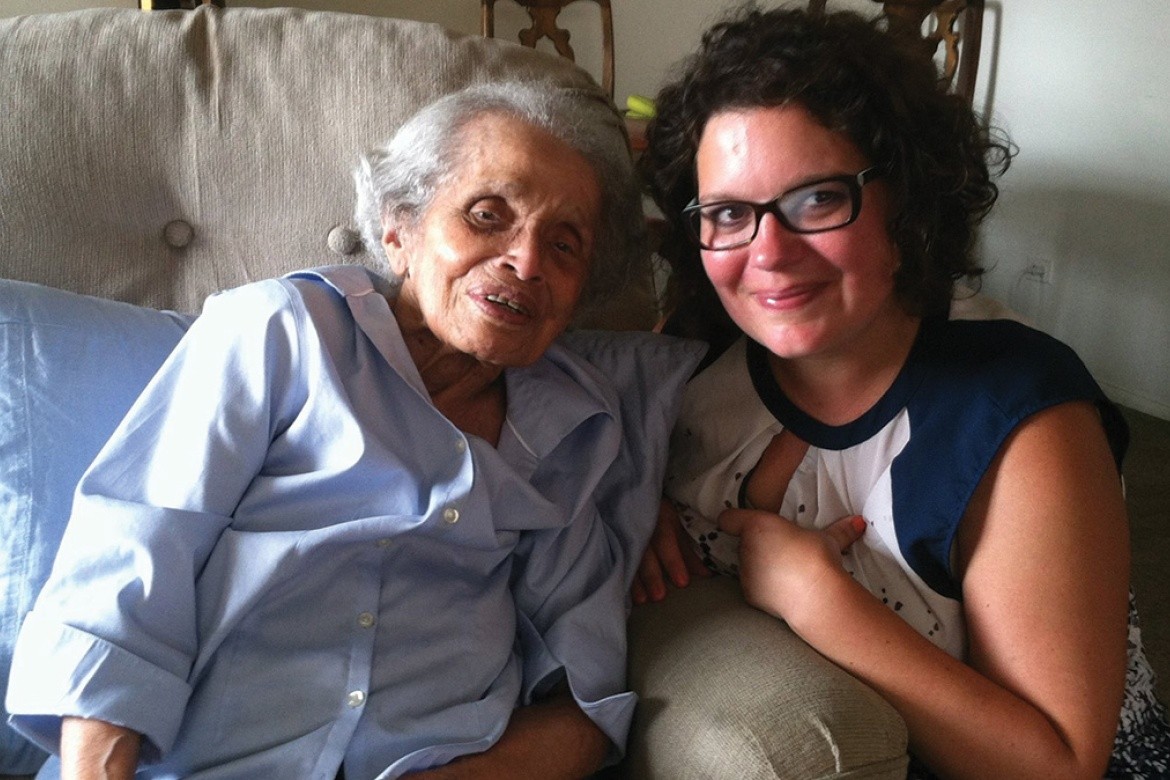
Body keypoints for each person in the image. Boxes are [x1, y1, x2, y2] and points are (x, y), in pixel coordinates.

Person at [7, 82, 655, 779]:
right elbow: (129, 562)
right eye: (488, 215)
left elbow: (585, 705)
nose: (526, 262)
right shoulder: (281, 332)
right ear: (398, 229)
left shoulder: (577, 429)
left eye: (564, 245)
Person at [632, 7, 1170, 778]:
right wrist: (628, 499)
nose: (768, 252)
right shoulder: (693, 355)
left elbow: (1057, 766)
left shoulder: (1020, 415)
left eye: (817, 198)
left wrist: (818, 602)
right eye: (727, 213)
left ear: (907, 201)